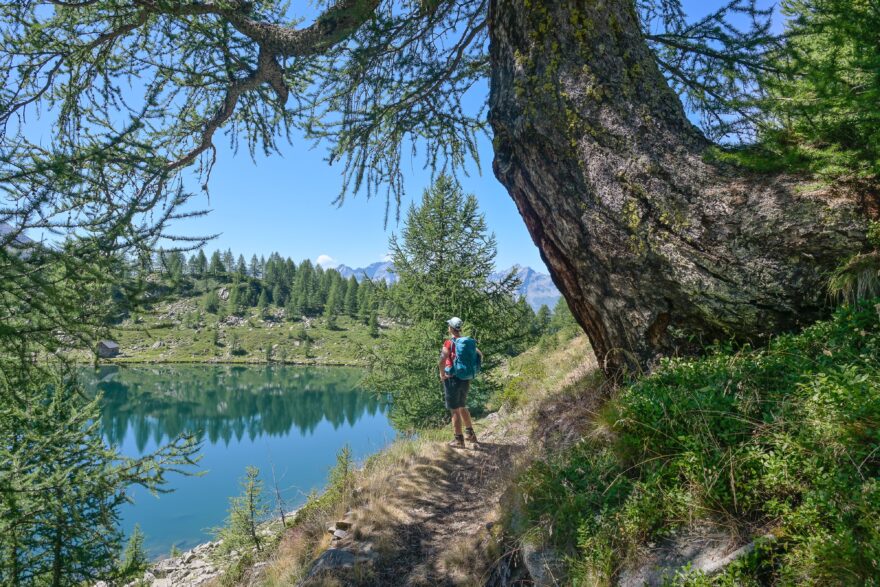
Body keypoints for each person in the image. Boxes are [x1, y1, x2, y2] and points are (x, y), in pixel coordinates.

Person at [439, 317, 482, 448]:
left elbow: (442, 360)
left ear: (451, 328)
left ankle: (459, 440)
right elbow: (480, 355)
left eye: (449, 325)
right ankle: (471, 434)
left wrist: (442, 374)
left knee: (454, 410)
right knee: (462, 406)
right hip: (465, 378)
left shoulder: (449, 343)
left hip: (452, 378)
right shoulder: (467, 342)